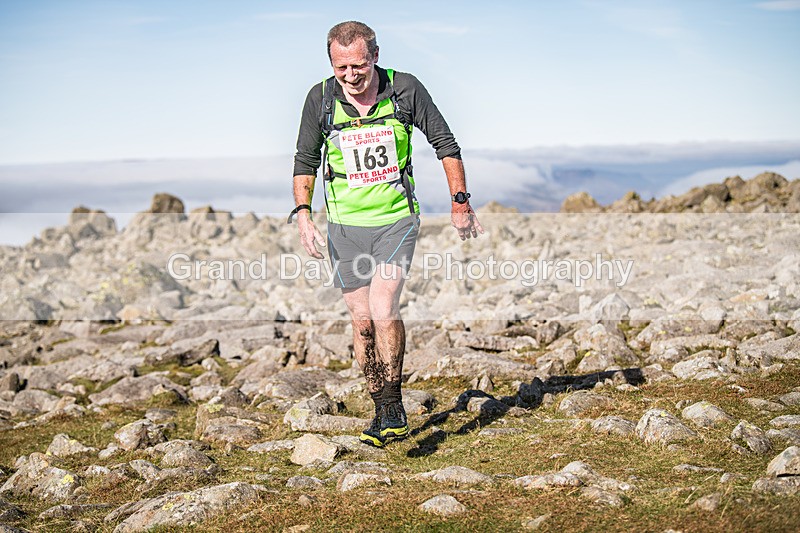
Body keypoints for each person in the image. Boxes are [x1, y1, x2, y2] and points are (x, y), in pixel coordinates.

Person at [289, 20, 483, 447]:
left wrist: (460, 202)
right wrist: (303, 215)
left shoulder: (405, 89)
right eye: (341, 68)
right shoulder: (320, 98)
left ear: (375, 56)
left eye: (358, 66)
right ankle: (382, 410)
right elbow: (305, 159)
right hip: (344, 228)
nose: (350, 76)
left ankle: (394, 405)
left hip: (396, 220)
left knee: (383, 305)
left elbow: (446, 145)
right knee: (362, 322)